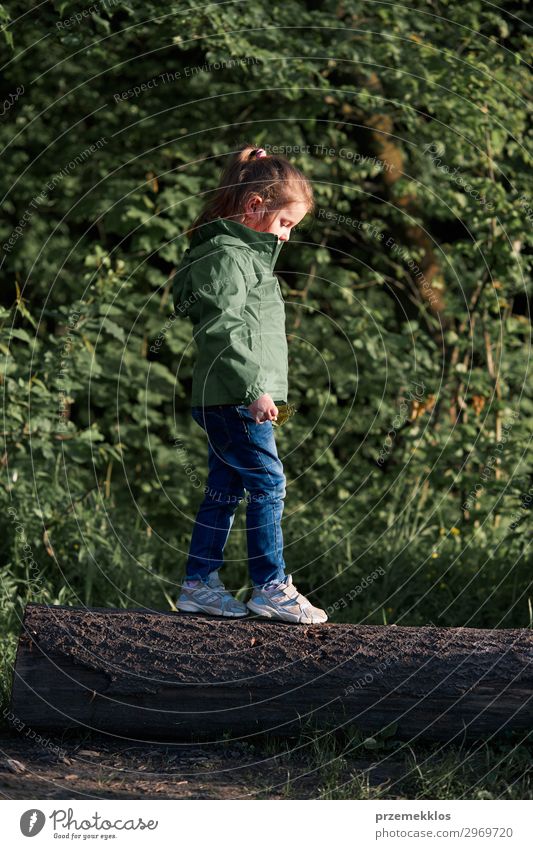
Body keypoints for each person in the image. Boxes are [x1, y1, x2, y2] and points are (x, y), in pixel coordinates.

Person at [172, 143, 327, 624]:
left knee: (224, 488)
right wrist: (253, 389)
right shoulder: (226, 257)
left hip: (230, 395)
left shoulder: (241, 255)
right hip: (235, 397)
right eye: (284, 224)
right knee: (269, 483)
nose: (285, 237)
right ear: (255, 207)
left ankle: (199, 584)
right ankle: (270, 585)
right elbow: (223, 329)